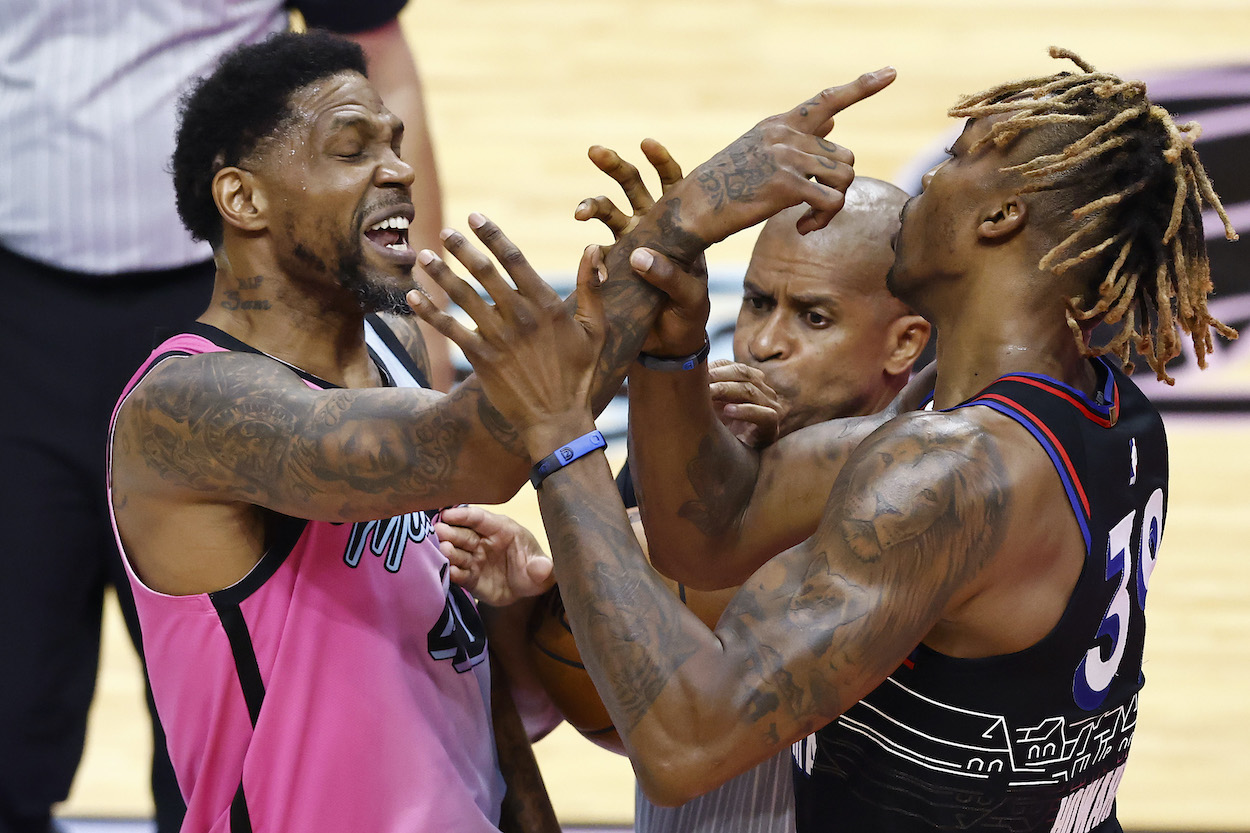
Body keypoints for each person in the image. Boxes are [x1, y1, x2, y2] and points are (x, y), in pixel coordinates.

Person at [408, 48, 1239, 832]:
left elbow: (685, 743)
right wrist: (673, 351)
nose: (925, 183)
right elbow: (705, 534)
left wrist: (560, 432)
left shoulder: (951, 474)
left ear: (1000, 215)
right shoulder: (1106, 414)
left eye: (952, 160)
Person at [106, 29, 887, 832]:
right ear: (243, 199)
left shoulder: (398, 347)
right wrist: (681, 221)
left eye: (395, 144)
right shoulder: (186, 411)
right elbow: (478, 445)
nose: (399, 171)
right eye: (351, 149)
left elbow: (455, 658)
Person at [0, 4, 448, 831]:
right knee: (12, 695)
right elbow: (480, 443)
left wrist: (413, 317)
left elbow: (377, 53)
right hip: (17, 314)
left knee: (236, 704)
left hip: (234, 309)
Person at [440, 175, 930, 833]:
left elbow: (697, 739)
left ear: (905, 341)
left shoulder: (941, 482)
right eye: (757, 302)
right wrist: (535, 594)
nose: (763, 341)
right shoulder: (673, 465)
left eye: (813, 316)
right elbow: (593, 714)